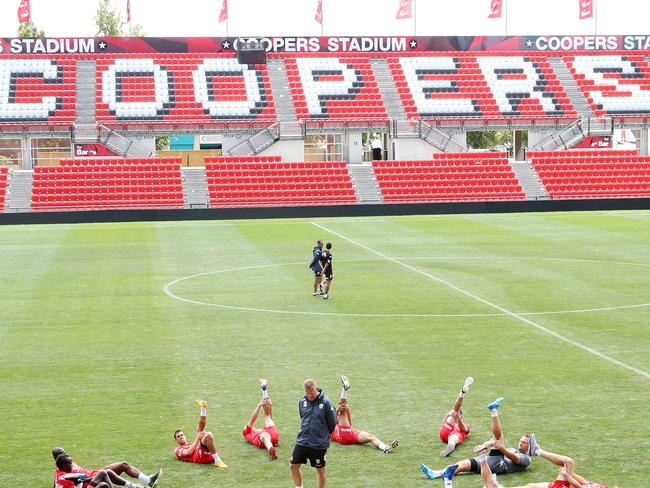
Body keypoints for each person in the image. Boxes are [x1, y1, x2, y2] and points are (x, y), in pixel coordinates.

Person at [420, 397, 534, 480]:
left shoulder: (526, 459)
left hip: (498, 466)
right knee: (461, 464)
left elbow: (515, 458)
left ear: (529, 447)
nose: (521, 443)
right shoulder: (512, 449)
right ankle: (436, 474)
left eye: (524, 443)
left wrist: (500, 447)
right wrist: (485, 445)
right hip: (489, 462)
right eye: (521, 440)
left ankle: (493, 411)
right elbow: (497, 446)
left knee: (499, 437)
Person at [466, 443, 613, 488]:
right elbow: (584, 482)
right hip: (566, 485)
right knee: (530, 486)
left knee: (569, 462)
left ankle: (537, 450)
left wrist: (567, 475)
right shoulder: (603, 486)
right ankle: (536, 450)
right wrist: (571, 475)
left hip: (564, 486)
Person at [330, 375, 399, 453]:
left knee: (371, 437)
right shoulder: (329, 426)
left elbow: (349, 424)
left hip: (352, 434)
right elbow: (331, 421)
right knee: (342, 408)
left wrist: (347, 410)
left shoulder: (340, 420)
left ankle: (385, 448)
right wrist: (338, 411)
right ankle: (344, 388)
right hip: (342, 437)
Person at [290, 378, 337, 488]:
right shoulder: (302, 402)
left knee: (320, 469)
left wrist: (322, 436)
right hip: (302, 441)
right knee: (293, 465)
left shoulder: (326, 403)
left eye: (312, 393)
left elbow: (333, 423)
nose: (310, 396)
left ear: (316, 388)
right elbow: (303, 417)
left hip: (318, 444)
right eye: (308, 393)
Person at [52, 449, 161, 488]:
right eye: (63, 453)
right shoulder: (62, 473)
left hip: (94, 474)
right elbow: (58, 483)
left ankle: (149, 480)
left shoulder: (67, 461)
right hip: (92, 481)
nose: (66, 454)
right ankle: (136, 487)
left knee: (123, 464)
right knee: (105, 475)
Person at [174, 400, 227, 468]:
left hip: (207, 455)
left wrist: (200, 436)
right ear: (176, 440)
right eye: (178, 436)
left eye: (182, 435)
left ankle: (203, 408)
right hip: (201, 458)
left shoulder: (190, 444)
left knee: (201, 432)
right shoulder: (178, 449)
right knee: (208, 435)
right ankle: (218, 460)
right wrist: (198, 437)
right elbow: (188, 453)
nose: (181, 437)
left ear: (185, 436)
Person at [242, 379, 280, 460]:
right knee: (265, 435)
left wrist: (270, 405)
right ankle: (270, 448)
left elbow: (270, 417)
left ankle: (264, 390)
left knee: (267, 416)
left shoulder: (261, 429)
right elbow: (253, 419)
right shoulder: (247, 433)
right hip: (265, 440)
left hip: (271, 436)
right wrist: (259, 405)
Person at [439, 377, 473, 457]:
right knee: (454, 411)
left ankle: (449, 448)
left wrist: (458, 418)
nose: (458, 413)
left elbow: (463, 429)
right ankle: (462, 392)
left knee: (454, 437)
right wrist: (448, 415)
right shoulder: (453, 417)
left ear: (462, 416)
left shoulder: (466, 425)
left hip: (454, 435)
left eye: (460, 413)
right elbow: (442, 426)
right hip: (444, 434)